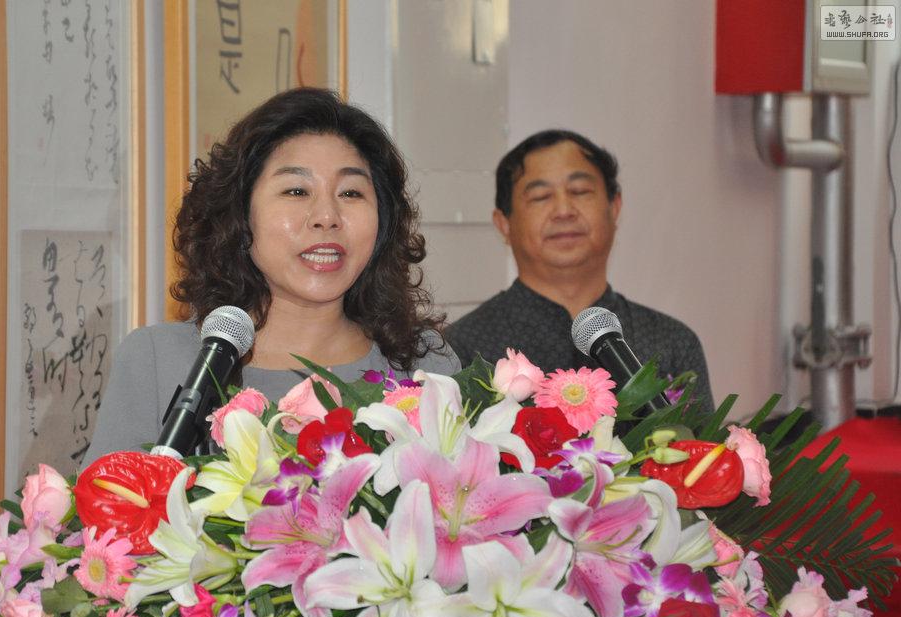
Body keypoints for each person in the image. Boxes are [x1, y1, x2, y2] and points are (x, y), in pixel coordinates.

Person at [85, 88, 459, 463]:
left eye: (350, 193)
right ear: (241, 213)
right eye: (296, 191)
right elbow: (109, 500)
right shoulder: (157, 360)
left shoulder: (424, 367)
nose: (326, 216)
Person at [445, 129, 713, 409]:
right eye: (540, 196)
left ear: (615, 207)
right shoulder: (464, 348)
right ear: (504, 223)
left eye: (580, 191)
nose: (564, 210)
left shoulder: (672, 343)